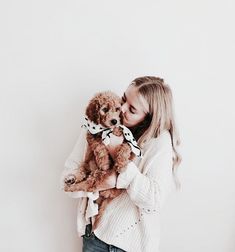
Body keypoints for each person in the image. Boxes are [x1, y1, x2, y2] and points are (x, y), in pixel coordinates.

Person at [60, 76, 182, 252]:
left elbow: (155, 199)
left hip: (129, 246)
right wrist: (96, 183)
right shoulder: (98, 126)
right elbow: (67, 178)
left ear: (149, 118)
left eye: (132, 109)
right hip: (94, 236)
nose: (121, 108)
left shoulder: (158, 143)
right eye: (124, 98)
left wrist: (119, 171)